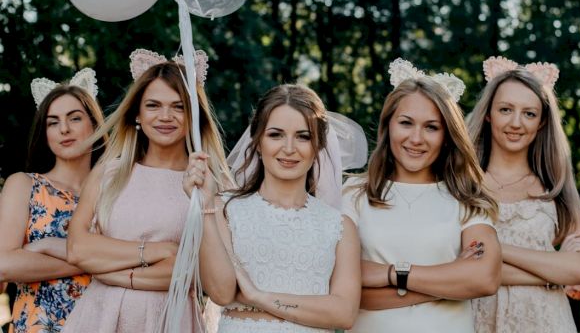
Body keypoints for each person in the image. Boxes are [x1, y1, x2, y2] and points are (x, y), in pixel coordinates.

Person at [62, 49, 232, 332]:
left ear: (193, 116)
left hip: (169, 320)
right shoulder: (109, 174)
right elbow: (78, 249)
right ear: (137, 114)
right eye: (153, 105)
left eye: (179, 106)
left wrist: (108, 270)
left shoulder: (208, 185)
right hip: (99, 319)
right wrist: (159, 251)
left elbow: (192, 275)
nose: (165, 116)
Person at [342, 58, 502, 333]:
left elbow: (484, 279)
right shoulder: (354, 193)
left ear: (447, 136)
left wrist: (388, 274)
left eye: (431, 127)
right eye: (406, 123)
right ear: (388, 125)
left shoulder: (466, 198)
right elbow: (344, 292)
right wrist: (451, 283)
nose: (416, 139)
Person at [197, 84, 361, 332]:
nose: (289, 148)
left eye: (303, 136)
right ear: (258, 141)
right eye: (276, 134)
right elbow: (221, 292)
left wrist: (256, 296)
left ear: (317, 146)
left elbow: (343, 313)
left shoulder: (339, 226)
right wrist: (206, 207)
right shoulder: (223, 209)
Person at [468, 56, 580, 332]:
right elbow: (457, 268)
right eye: (505, 109)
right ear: (488, 113)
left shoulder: (555, 186)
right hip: (478, 320)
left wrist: (492, 250)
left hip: (547, 322)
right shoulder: (464, 183)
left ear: (542, 122)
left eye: (529, 113)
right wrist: (552, 271)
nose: (516, 123)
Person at [0, 69, 105, 333]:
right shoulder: (24, 185)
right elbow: (4, 265)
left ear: (94, 123)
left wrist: (45, 247)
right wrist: (98, 261)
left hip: (103, 323)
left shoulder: (114, 192)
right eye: (53, 122)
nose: (64, 129)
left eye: (75, 118)